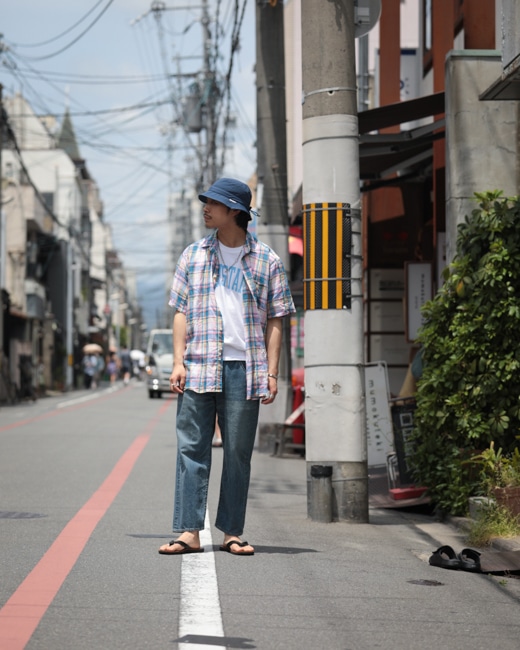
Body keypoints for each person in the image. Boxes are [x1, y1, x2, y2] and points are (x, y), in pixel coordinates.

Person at [159, 177, 295, 557]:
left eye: (213, 203)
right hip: (199, 365)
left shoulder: (267, 260)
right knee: (191, 448)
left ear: (235, 210)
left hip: (244, 369)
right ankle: (189, 531)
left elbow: (276, 320)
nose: (205, 208)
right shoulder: (193, 255)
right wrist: (177, 361)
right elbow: (181, 312)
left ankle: (232, 531)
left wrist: (271, 372)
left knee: (238, 452)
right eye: (205, 202)